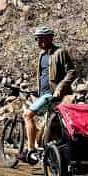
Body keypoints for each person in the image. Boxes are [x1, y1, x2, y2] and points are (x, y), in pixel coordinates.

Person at [22, 25, 76, 160]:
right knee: (48, 126)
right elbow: (44, 76)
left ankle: (30, 150)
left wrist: (60, 88)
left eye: (42, 38)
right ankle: (47, 152)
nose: (39, 42)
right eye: (37, 39)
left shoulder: (60, 52)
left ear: (50, 38)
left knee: (28, 115)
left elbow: (71, 72)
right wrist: (36, 90)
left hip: (53, 96)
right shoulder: (42, 55)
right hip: (44, 94)